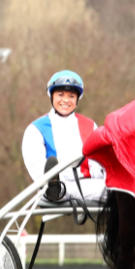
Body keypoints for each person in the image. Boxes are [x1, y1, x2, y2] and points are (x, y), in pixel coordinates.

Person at [21, 70, 106, 202]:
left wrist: (102, 180)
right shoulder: (36, 129)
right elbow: (36, 165)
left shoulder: (90, 126)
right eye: (60, 95)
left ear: (77, 99)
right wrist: (50, 182)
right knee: (54, 188)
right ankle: (54, 186)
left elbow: (96, 163)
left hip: (88, 186)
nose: (66, 100)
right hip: (52, 187)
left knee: (117, 191)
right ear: (52, 96)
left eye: (71, 96)